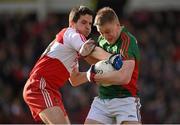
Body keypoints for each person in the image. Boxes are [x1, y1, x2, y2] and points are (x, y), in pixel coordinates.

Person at [23, 6, 118, 124]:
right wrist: (112, 58)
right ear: (72, 23)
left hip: (50, 90)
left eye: (89, 23)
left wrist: (92, 73)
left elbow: (75, 79)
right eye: (83, 22)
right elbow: (89, 50)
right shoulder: (70, 33)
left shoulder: (72, 50)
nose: (88, 26)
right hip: (40, 86)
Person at [84, 7, 142, 124]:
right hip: (103, 99)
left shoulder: (127, 42)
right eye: (101, 32)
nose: (105, 36)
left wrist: (95, 77)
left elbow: (124, 77)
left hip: (125, 99)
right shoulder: (102, 40)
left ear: (117, 24)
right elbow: (99, 65)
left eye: (107, 31)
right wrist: (85, 55)